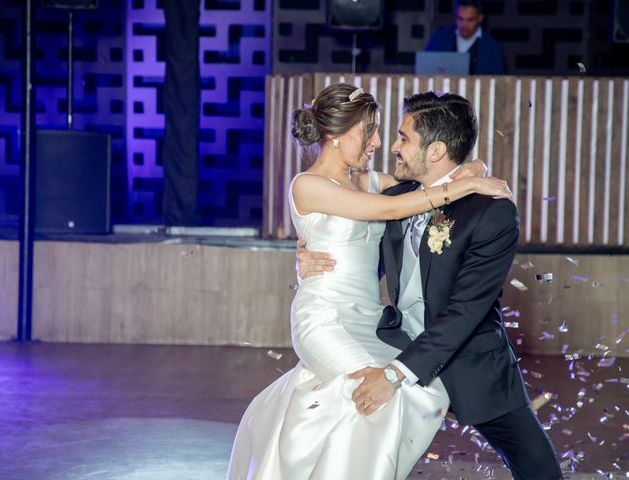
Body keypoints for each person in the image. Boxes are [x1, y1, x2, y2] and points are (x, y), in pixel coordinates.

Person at [225, 83, 512, 480]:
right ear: (335, 136)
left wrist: (473, 170)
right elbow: (394, 209)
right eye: (369, 130)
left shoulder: (368, 181)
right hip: (324, 320)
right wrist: (465, 184)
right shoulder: (307, 186)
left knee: (427, 392)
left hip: (370, 321)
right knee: (377, 399)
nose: (378, 142)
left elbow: (425, 185)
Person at [297, 90, 564, 479]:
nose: (391, 146)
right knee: (362, 423)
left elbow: (465, 312)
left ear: (436, 150)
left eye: (404, 138)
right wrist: (305, 250)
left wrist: (393, 375)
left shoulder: (491, 212)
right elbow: (344, 222)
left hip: (467, 359)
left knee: (539, 470)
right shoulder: (397, 195)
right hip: (391, 341)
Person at [425, 0, 507, 75]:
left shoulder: (492, 47)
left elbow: (498, 81)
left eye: (470, 20)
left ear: (480, 18)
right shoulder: (439, 38)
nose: (464, 25)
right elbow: (425, 67)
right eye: (460, 19)